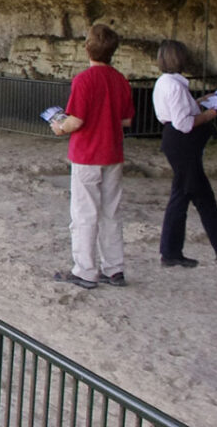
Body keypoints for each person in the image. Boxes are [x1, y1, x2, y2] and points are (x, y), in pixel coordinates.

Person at [51, 23, 135, 289]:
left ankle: (86, 271)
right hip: (112, 152)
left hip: (87, 154)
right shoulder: (120, 79)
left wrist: (59, 127)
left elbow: (76, 120)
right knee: (111, 211)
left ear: (87, 48)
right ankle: (114, 269)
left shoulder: (84, 80)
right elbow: (126, 121)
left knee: (84, 213)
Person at [152, 39, 217, 267]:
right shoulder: (175, 86)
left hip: (178, 143)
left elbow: (178, 112)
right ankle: (171, 253)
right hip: (183, 144)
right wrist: (209, 115)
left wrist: (199, 102)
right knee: (181, 197)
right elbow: (183, 123)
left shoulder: (165, 83)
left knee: (204, 198)